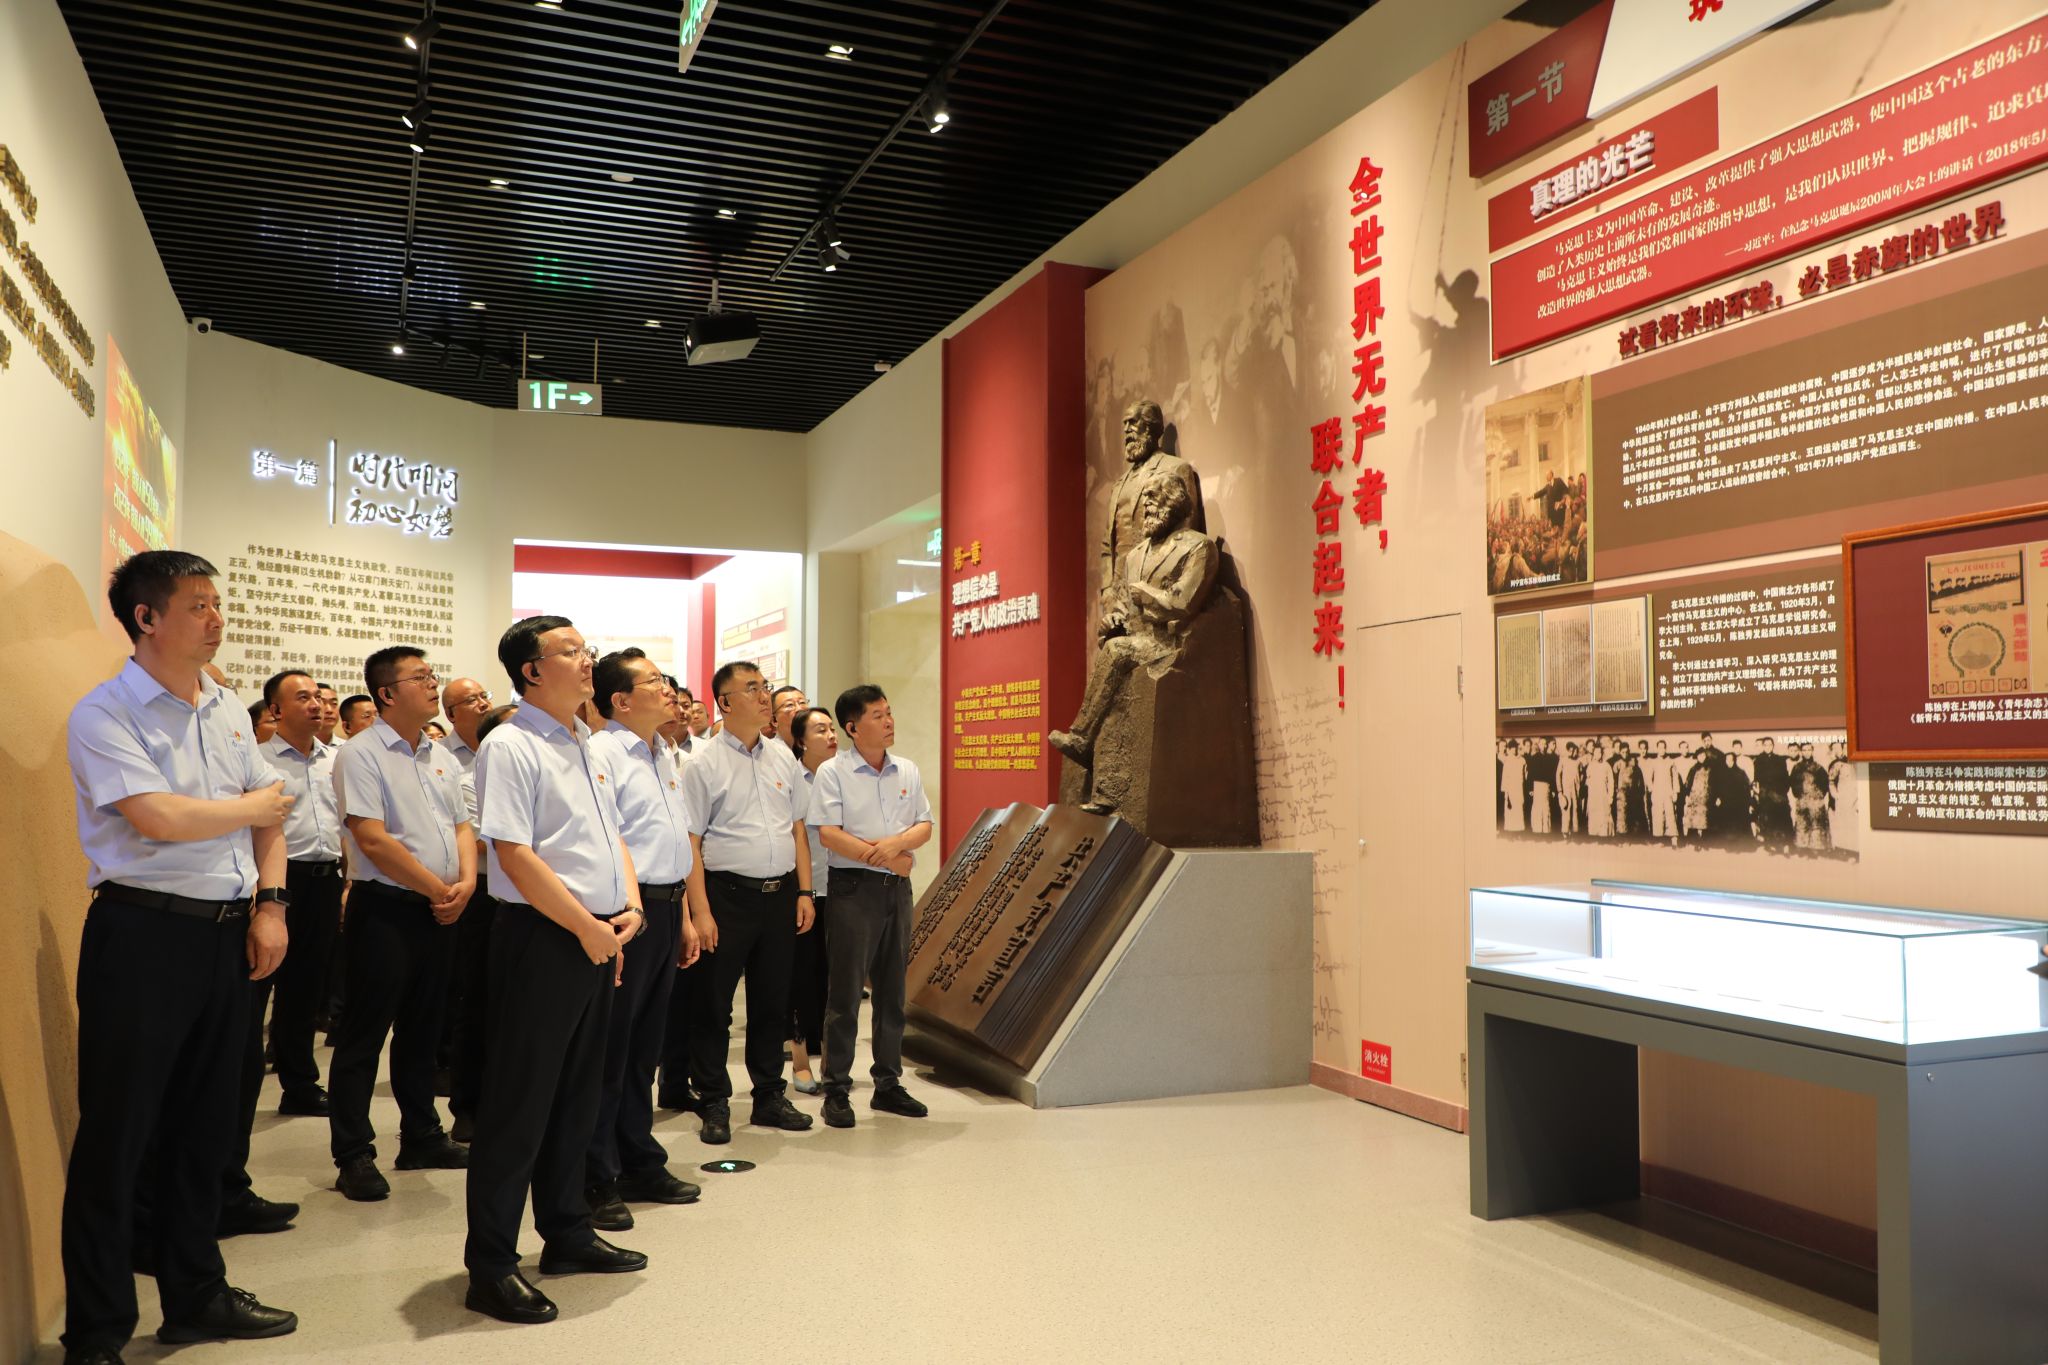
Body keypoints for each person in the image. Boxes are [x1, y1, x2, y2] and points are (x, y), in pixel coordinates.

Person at [62, 550, 298, 1360]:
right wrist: (249, 807)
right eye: (197, 604)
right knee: (119, 1134)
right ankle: (97, 1329)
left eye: (215, 602)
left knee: (207, 1126)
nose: (215, 617)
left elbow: (273, 813)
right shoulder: (105, 712)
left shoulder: (225, 705)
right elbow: (157, 817)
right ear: (147, 618)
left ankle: (196, 1294)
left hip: (228, 932)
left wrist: (272, 905)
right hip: (142, 934)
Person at [465, 617, 648, 1325]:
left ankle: (566, 1231)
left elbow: (612, 836)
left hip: (595, 934)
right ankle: (491, 1264)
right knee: (520, 1104)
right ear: (532, 671)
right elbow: (513, 854)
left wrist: (627, 907)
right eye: (570, 652)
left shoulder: (586, 741)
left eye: (585, 649)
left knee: (578, 1095)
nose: (586, 660)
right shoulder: (511, 744)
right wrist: (584, 926)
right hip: (544, 937)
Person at [328, 647, 474, 1202]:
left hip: (441, 908)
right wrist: (439, 888)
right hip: (386, 909)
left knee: (424, 1029)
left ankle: (421, 1135)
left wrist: (465, 883)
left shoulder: (439, 754)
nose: (433, 684)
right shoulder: (361, 754)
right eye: (421, 677)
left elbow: (462, 825)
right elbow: (371, 838)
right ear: (387, 693)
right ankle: (353, 1153)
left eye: (432, 675)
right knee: (364, 1034)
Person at [583, 650, 707, 1231]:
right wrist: (640, 909)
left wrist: (683, 915)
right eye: (653, 681)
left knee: (643, 1051)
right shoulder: (603, 753)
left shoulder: (663, 751)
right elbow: (613, 841)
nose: (668, 689)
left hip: (664, 907)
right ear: (621, 700)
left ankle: (638, 1158)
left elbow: (671, 841)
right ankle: (595, 1175)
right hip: (625, 914)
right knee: (610, 1052)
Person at [683, 660, 816, 1144]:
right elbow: (691, 840)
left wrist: (804, 891)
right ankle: (713, 1099)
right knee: (713, 1005)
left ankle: (768, 1096)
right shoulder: (702, 763)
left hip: (780, 896)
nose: (765, 697)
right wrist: (701, 911)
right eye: (753, 688)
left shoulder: (782, 756)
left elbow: (797, 829)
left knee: (772, 1001)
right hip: (727, 896)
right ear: (725, 702)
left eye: (766, 687)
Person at [814, 685, 933, 1128]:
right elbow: (829, 833)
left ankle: (888, 1083)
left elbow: (924, 825)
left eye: (889, 712)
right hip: (852, 889)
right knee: (845, 994)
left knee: (892, 991)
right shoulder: (833, 772)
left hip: (896, 890)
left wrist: (896, 849)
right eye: (878, 715)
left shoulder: (907, 769)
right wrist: (885, 857)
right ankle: (836, 1089)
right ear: (852, 727)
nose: (888, 721)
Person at [257, 671, 344, 1119]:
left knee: (307, 985)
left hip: (326, 879)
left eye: (319, 697)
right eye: (303, 697)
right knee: (259, 981)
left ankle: (299, 1084)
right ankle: (242, 1077)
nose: (317, 705)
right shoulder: (259, 761)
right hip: (277, 879)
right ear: (275, 710)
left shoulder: (337, 760)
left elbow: (346, 824)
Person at [438, 675, 495, 1145]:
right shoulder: (449, 763)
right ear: (451, 712)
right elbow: (478, 840)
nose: (482, 703)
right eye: (470, 699)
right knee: (474, 1001)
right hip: (481, 891)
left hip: (533, 895)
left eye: (484, 696)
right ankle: (469, 1107)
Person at [785, 706, 838, 1093]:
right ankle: (800, 1062)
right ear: (801, 740)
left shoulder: (845, 775)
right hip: (803, 890)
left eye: (832, 728)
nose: (831, 735)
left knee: (836, 981)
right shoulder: (791, 775)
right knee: (800, 978)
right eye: (821, 730)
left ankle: (834, 1062)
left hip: (842, 889)